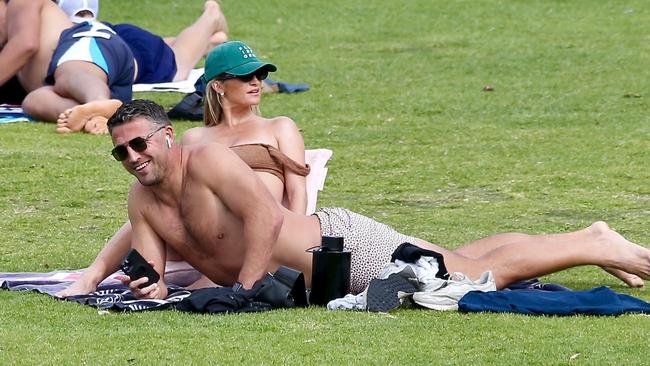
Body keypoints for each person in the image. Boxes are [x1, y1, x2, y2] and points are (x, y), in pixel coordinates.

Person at [101, 99, 650, 300]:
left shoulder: (209, 161)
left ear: (166, 136)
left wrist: (244, 291)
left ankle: (591, 242)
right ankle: (586, 241)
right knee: (466, 259)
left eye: (138, 144)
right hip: (328, 273)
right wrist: (143, 281)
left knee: (472, 279)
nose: (132, 158)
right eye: (121, 153)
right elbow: (151, 267)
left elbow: (268, 217)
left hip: (345, 248)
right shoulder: (142, 201)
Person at [56, 41, 310, 297]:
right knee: (148, 203)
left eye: (260, 75)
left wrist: (288, 240)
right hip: (206, 233)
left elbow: (297, 190)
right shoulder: (195, 138)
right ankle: (94, 274)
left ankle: (97, 274)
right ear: (218, 85)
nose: (256, 82)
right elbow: (173, 195)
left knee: (149, 205)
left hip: (265, 229)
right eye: (245, 76)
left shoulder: (279, 126)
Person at [55, 0, 229, 134]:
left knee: (178, 62)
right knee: (167, 51)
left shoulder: (57, 33)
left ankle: (211, 16)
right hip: (110, 33)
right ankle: (209, 43)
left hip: (108, 46)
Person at [0, 0, 135, 134]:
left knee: (69, 76)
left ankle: (98, 100)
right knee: (34, 101)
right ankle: (96, 115)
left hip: (86, 40)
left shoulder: (21, 2)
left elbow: (25, 45)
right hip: (89, 76)